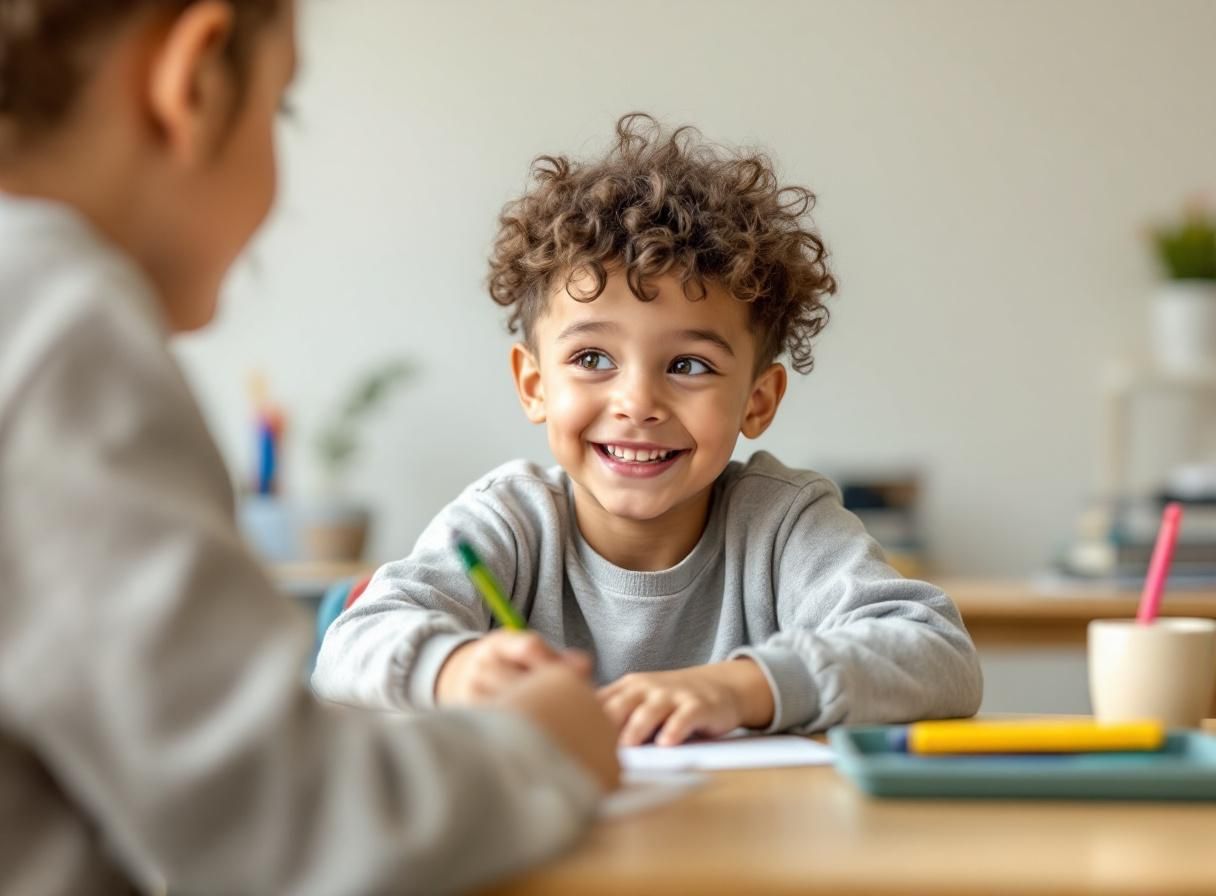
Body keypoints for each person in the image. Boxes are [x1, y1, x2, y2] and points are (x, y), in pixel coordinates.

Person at [0, 2, 619, 893]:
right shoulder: (52, 328)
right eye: (280, 107)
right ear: (198, 79)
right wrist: (543, 745)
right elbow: (282, 823)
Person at [313, 113, 984, 748]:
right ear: (534, 384)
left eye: (688, 365)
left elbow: (940, 654)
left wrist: (740, 686)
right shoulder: (508, 522)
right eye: (592, 359)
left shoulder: (782, 524)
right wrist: (455, 668)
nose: (637, 402)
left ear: (757, 400)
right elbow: (348, 649)